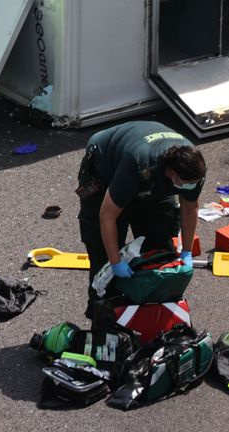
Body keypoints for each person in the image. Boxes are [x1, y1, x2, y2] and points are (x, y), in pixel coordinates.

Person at [76, 121, 205, 314]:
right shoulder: (140, 162)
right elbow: (107, 216)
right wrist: (115, 262)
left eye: (193, 183)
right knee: (104, 256)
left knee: (160, 249)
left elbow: (189, 207)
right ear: (171, 172)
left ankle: (152, 314)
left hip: (151, 181)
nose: (190, 186)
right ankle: (104, 320)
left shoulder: (194, 170)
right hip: (106, 169)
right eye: (186, 183)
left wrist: (186, 251)